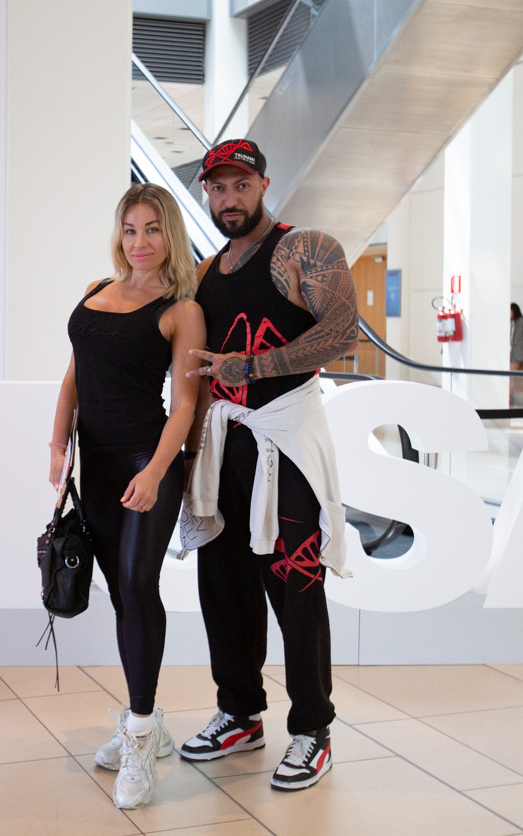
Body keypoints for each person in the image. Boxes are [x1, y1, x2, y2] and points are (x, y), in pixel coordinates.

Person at [178, 139, 356, 793]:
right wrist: (186, 456)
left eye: (241, 184)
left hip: (284, 442)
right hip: (223, 446)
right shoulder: (206, 271)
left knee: (296, 584)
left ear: (263, 184)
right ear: (207, 192)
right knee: (223, 586)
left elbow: (342, 333)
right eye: (218, 187)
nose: (230, 198)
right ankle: (240, 712)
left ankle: (312, 728)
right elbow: (198, 372)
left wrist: (251, 366)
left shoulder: (305, 248)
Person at [48, 183, 205, 810]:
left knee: (138, 586)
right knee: (121, 592)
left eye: (153, 229)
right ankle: (150, 719)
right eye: (131, 228)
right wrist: (57, 446)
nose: (139, 242)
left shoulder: (181, 308)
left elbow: (186, 404)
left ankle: (140, 732)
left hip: (147, 460)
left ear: (171, 236)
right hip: (97, 466)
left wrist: (159, 471)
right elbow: (74, 378)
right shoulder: (95, 291)